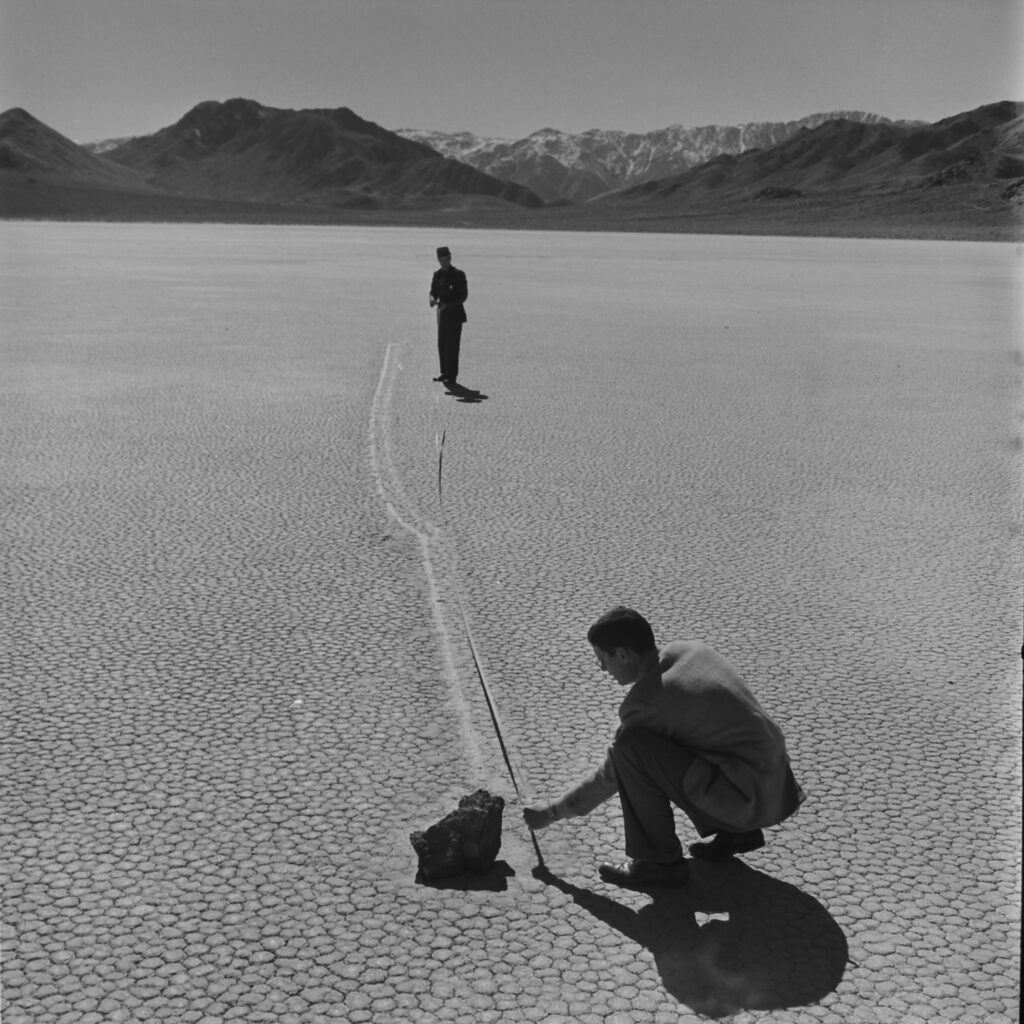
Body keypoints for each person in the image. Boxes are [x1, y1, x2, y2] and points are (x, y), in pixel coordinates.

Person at [523, 606, 805, 888]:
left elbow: (609, 777)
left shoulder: (644, 704)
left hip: (753, 803)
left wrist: (551, 811)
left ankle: (658, 863)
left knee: (630, 750)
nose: (602, 669)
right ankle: (737, 834)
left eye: (602, 660)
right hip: (779, 788)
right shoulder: (690, 650)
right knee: (682, 740)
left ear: (622, 654)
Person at [429, 246, 468, 386]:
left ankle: (452, 376)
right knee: (442, 345)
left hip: (455, 315)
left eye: (446, 259)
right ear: (438, 260)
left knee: (452, 346)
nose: (444, 262)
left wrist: (448, 305)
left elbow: (463, 295)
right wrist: (432, 299)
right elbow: (433, 291)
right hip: (442, 316)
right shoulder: (437, 275)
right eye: (441, 259)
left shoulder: (458, 274)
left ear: (450, 257)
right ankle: (444, 372)